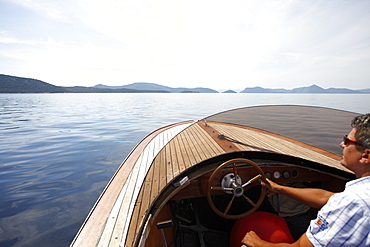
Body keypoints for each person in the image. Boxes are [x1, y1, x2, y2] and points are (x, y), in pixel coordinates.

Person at [242, 113, 370, 247]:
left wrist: (258, 243)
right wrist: (279, 188)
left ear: (365, 156)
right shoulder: (358, 196)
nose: (341, 144)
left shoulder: (352, 202)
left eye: (347, 141)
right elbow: (328, 198)